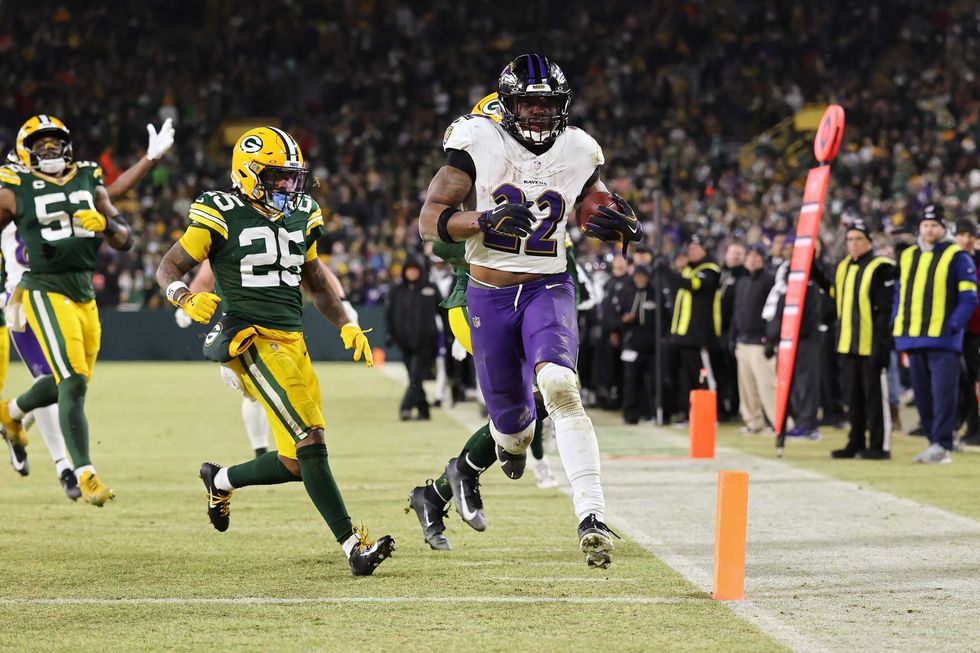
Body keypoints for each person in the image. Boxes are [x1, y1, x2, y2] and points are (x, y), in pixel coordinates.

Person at [417, 54, 641, 567]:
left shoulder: (579, 148)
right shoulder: (478, 140)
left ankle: (592, 515)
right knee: (514, 431)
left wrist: (613, 218)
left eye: (549, 104)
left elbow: (592, 206)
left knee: (561, 387)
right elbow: (431, 221)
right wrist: (484, 221)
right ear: (508, 105)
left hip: (549, 285)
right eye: (529, 103)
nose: (540, 114)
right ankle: (454, 476)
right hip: (488, 295)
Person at [155, 126, 394, 575]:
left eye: (292, 176)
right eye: (278, 176)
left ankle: (220, 479)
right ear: (248, 175)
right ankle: (353, 547)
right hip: (251, 338)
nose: (289, 185)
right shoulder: (220, 211)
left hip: (293, 341)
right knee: (312, 439)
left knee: (295, 461)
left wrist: (347, 321)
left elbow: (316, 278)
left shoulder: (303, 213)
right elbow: (169, 266)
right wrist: (183, 297)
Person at [0, 121, 174, 498]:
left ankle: (11, 412)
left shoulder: (86, 178)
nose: (47, 153)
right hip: (38, 288)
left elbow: (124, 235)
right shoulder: (14, 187)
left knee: (73, 380)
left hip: (81, 288)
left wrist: (108, 224)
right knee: (72, 380)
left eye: (54, 145)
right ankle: (80, 472)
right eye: (39, 147)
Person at [174, 258, 357, 457]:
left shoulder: (283, 229)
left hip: (282, 328)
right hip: (247, 329)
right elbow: (204, 276)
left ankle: (286, 453)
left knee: (285, 391)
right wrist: (186, 299)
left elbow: (315, 268)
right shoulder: (232, 231)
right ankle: (270, 454)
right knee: (258, 394)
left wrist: (342, 301)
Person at [892, 205, 978, 464]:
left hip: (942, 338)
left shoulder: (957, 256)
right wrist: (897, 322)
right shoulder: (908, 256)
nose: (929, 229)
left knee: (943, 394)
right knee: (922, 395)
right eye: (925, 225)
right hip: (912, 335)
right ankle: (933, 442)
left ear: (943, 228)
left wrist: (953, 327)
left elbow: (969, 297)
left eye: (934, 225)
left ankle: (943, 444)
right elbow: (900, 293)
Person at [812, 221, 896, 459]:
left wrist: (881, 345)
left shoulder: (881, 267)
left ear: (869, 241)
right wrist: (814, 271)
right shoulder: (844, 266)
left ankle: (880, 445)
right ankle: (856, 441)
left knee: (874, 398)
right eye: (850, 239)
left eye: (858, 239)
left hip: (871, 343)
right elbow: (835, 293)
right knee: (853, 398)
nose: (853, 244)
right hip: (848, 342)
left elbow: (884, 310)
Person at [662, 234, 721, 420]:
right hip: (682, 333)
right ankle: (691, 414)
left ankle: (709, 414)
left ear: (705, 250)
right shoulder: (689, 269)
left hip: (699, 335)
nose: (692, 251)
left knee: (703, 376)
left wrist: (667, 272)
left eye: (697, 248)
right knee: (685, 377)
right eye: (690, 248)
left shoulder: (710, 270)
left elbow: (692, 285)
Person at [385, 257, 442, 420]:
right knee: (413, 377)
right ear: (404, 271)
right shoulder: (396, 290)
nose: (412, 272)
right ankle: (424, 411)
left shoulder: (430, 288)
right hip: (403, 343)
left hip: (426, 342)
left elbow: (443, 312)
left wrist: (449, 336)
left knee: (416, 376)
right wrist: (389, 334)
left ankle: (405, 407)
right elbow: (388, 314)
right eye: (409, 269)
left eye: (415, 269)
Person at [731, 244, 776, 433]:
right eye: (749, 255)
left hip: (760, 342)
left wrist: (771, 338)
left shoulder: (769, 281)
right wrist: (733, 337)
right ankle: (754, 423)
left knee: (767, 386)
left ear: (763, 260)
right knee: (747, 388)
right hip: (743, 342)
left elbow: (773, 313)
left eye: (756, 256)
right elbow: (737, 312)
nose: (752, 259)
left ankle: (779, 423)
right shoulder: (742, 281)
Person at [620, 265, 669, 424]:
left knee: (654, 381)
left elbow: (664, 318)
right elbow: (615, 314)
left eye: (643, 276)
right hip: (632, 344)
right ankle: (631, 414)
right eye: (637, 276)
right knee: (631, 381)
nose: (640, 279)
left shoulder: (656, 295)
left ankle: (653, 413)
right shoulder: (626, 294)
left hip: (652, 346)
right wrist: (623, 320)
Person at [953, 219, 980, 446]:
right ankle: (967, 424)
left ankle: (974, 427)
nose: (967, 239)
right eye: (962, 234)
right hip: (960, 330)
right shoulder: (952, 261)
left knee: (974, 380)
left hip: (974, 330)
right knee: (964, 380)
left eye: (970, 235)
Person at [717, 241, 747, 421]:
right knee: (720, 371)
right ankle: (723, 406)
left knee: (734, 372)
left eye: (738, 253)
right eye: (732, 252)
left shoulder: (744, 275)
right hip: (716, 329)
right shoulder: (718, 272)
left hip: (732, 330)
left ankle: (734, 406)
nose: (735, 256)